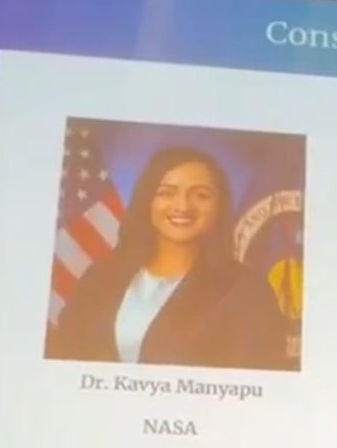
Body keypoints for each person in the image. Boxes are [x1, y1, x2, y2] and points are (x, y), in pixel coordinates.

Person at [46, 145, 290, 369]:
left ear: (220, 206)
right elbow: (65, 357)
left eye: (201, 195)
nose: (183, 206)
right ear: (147, 201)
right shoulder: (101, 278)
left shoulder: (246, 292)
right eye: (167, 193)